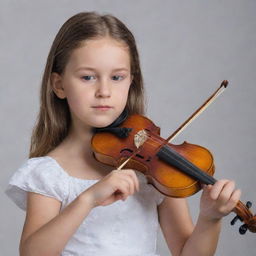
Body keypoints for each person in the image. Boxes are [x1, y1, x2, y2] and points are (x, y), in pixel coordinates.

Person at [5, 12, 241, 256]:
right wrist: (88, 199)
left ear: (131, 82)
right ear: (59, 85)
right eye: (87, 77)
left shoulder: (156, 170)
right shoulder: (49, 173)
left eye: (117, 77)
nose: (104, 91)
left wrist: (209, 219)